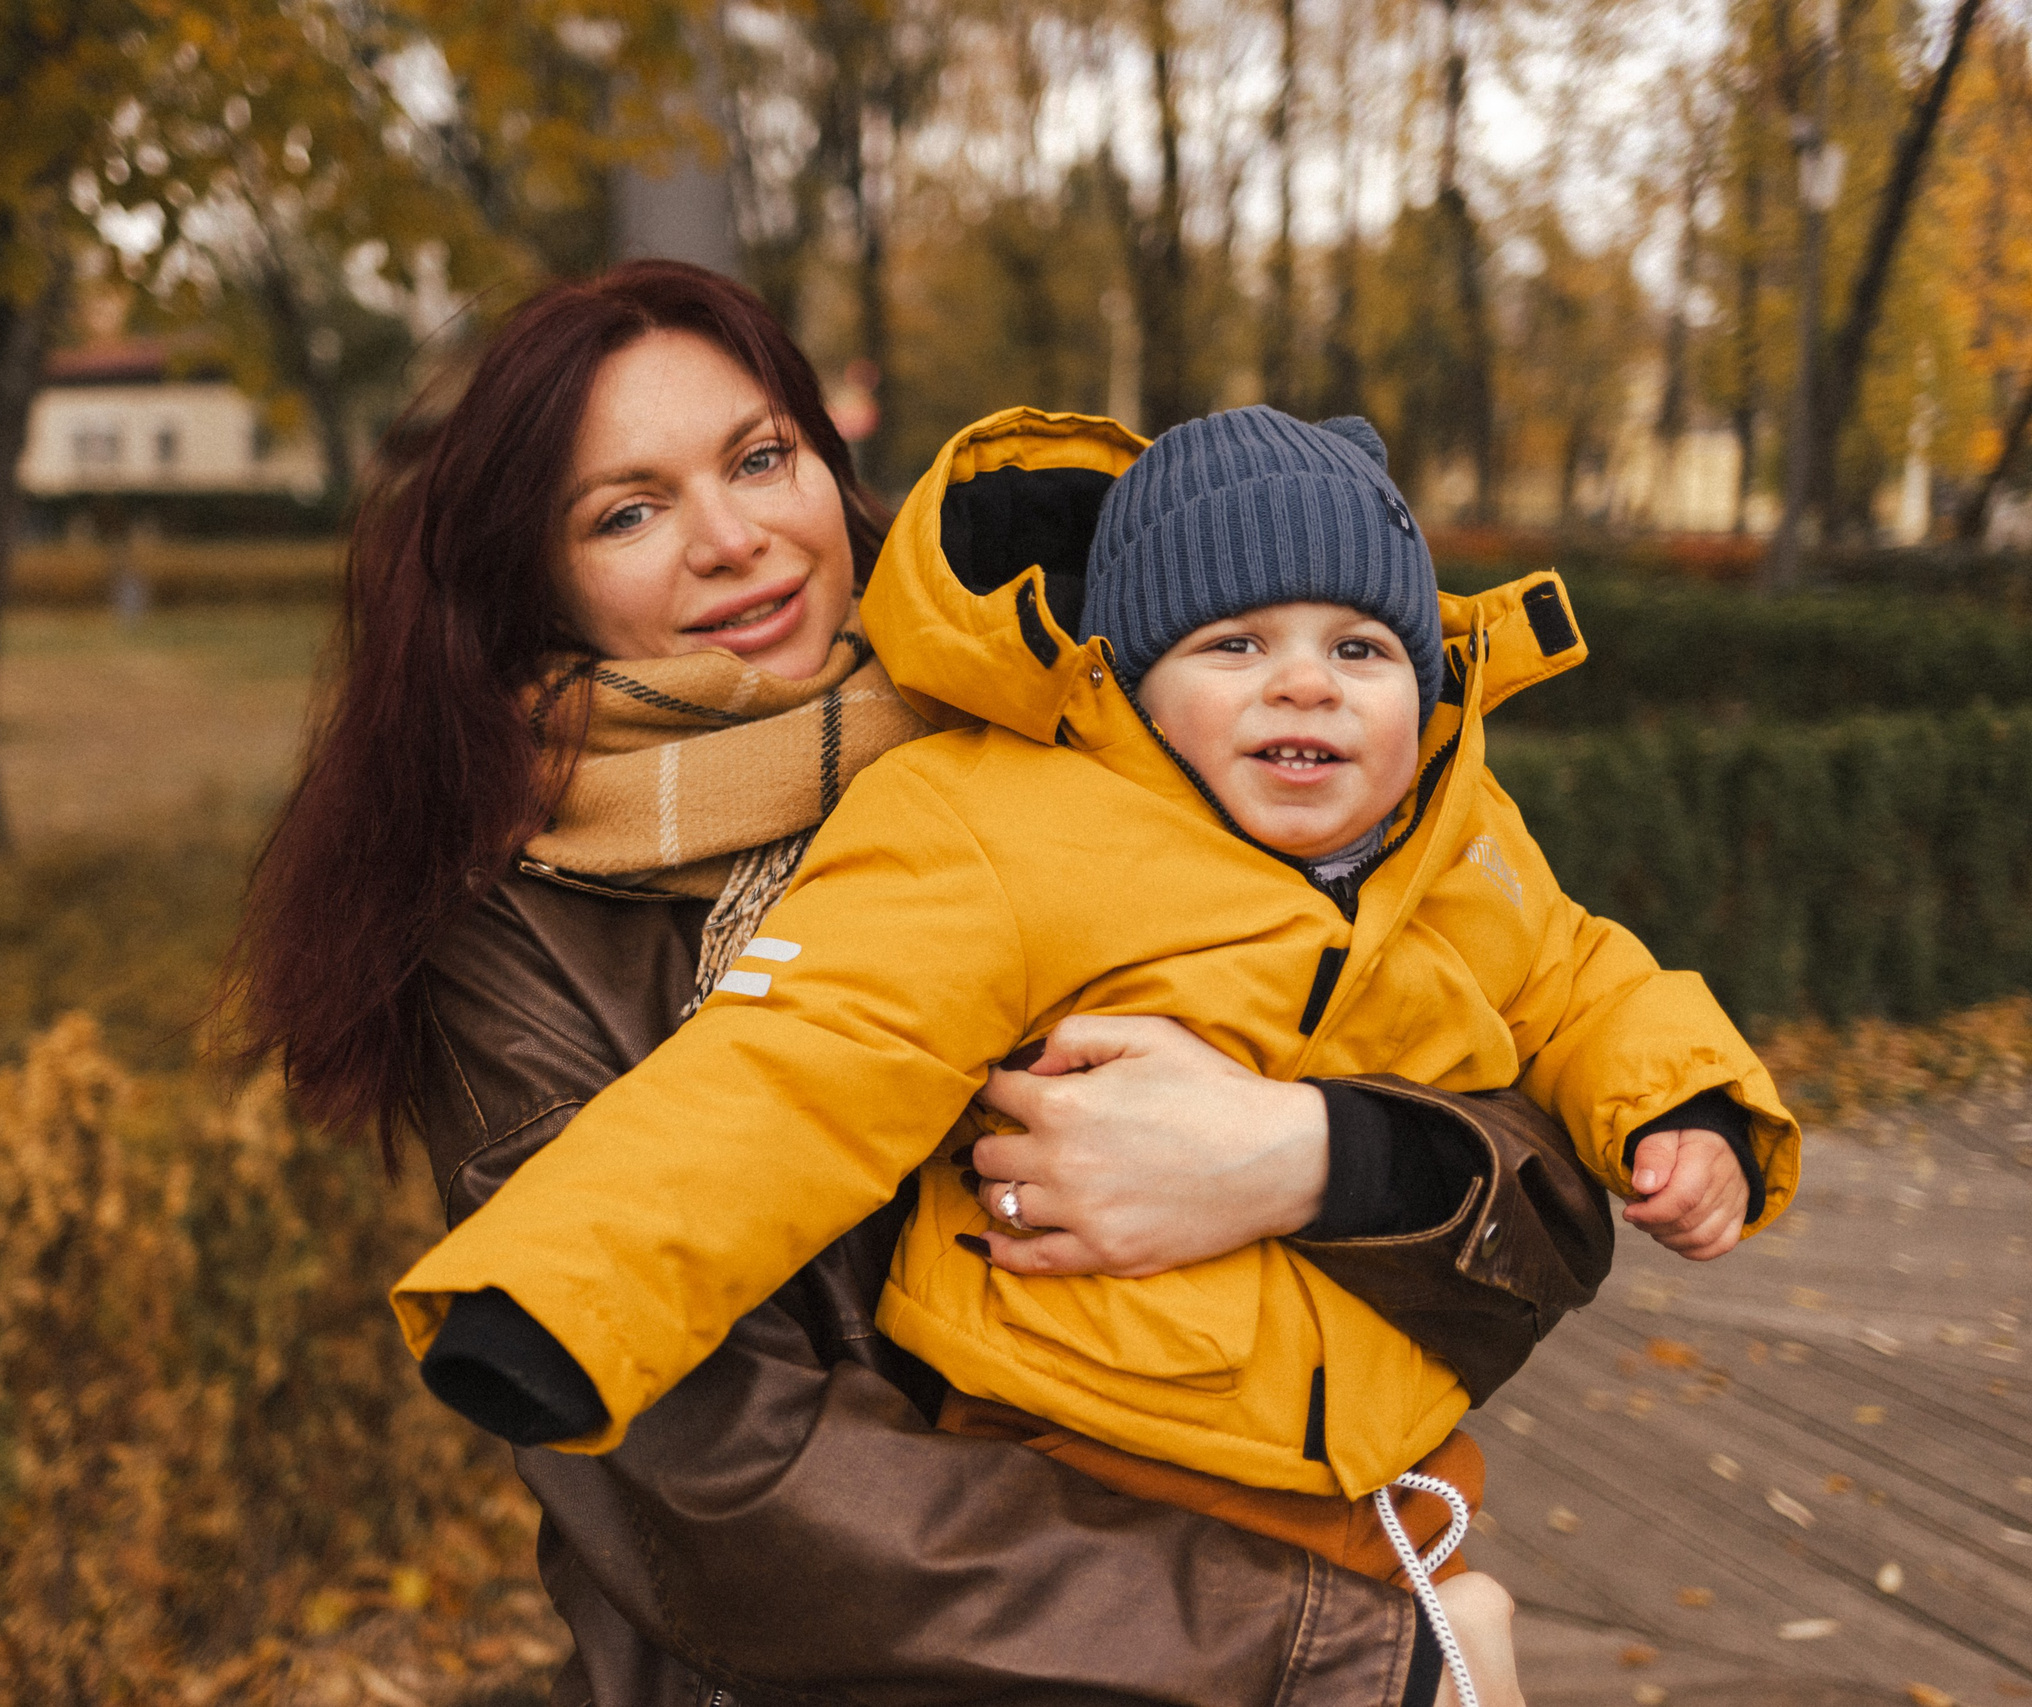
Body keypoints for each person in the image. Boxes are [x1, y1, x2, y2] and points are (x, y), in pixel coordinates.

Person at [235, 260, 1621, 1707]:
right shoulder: (519, 933)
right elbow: (713, 1484)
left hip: (1298, 1554)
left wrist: (1312, 1159)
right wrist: (1333, 1656)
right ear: (540, 577)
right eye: (630, 510)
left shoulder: (1107, 733)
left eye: (761, 457)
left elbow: (1547, 1208)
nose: (732, 538)